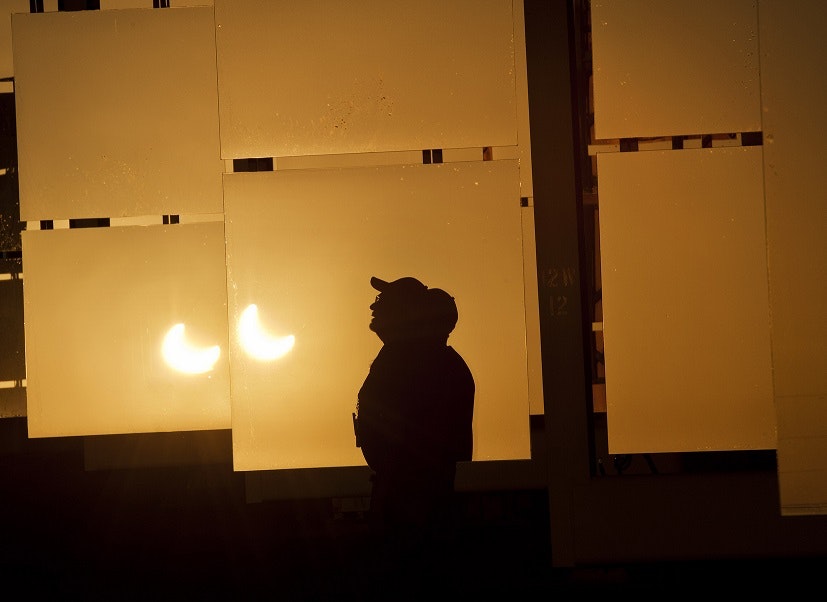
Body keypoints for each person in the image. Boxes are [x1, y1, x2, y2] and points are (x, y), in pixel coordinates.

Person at [354, 275, 475, 585]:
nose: (374, 308)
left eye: (383, 302)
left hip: (411, 510)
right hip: (410, 505)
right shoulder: (423, 361)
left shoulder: (414, 364)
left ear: (405, 313)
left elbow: (408, 449)